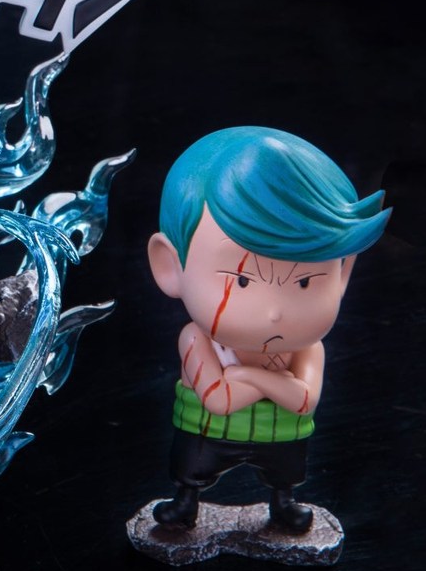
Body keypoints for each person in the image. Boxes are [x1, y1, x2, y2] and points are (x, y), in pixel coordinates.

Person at [146, 127, 388, 534]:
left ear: (343, 273)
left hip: (281, 436)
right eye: (241, 280)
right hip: (209, 432)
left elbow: (305, 401)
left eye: (305, 282)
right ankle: (185, 502)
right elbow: (218, 400)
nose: (275, 312)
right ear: (171, 268)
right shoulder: (196, 338)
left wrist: (245, 376)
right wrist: (277, 383)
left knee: (285, 473)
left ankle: (284, 505)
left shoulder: (309, 346)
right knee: (193, 467)